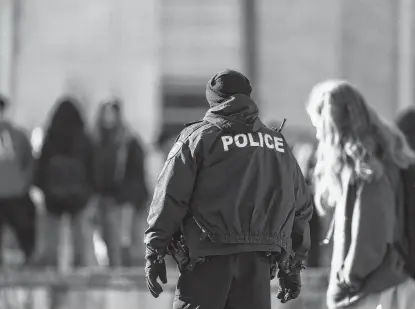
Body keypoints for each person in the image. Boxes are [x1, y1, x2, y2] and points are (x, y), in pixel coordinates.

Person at [144, 69, 314, 309]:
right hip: (258, 264)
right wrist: (292, 265)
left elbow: (170, 198)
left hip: (206, 260)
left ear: (213, 100)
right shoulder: (278, 145)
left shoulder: (198, 138)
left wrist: (154, 251)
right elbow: (300, 207)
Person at [306, 80, 415, 309]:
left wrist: (345, 281)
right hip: (393, 282)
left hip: (375, 289)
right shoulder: (387, 155)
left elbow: (371, 236)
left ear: (331, 126)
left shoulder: (365, 167)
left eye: (318, 126)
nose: (317, 134)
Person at [34, 96, 96, 267]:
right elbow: (93, 167)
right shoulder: (84, 139)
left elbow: (40, 166)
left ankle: (51, 266)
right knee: (79, 235)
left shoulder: (51, 138)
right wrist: (90, 190)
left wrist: (43, 189)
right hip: (79, 196)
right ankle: (80, 267)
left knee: (52, 235)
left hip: (53, 196)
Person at [92, 98, 148, 267]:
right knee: (107, 238)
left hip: (122, 199)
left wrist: (130, 196)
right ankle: (116, 271)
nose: (108, 117)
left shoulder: (128, 141)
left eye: (111, 113)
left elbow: (136, 172)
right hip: (104, 196)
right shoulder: (96, 140)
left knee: (124, 240)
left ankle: (123, 273)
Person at [0, 94, 35, 266]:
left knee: (23, 232)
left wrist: (23, 183)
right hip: (15, 192)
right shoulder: (18, 135)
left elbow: (29, 162)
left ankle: (28, 259)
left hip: (15, 193)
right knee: (23, 231)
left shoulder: (17, 136)